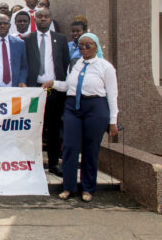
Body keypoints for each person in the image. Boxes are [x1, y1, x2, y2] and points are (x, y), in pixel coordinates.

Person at [42, 33, 119, 202]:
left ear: (96, 46)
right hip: (73, 108)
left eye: (88, 45)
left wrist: (113, 121)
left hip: (95, 107)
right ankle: (68, 186)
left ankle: (87, 188)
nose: (84, 49)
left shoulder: (105, 67)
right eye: (81, 46)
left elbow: (112, 95)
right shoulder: (75, 65)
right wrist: (53, 83)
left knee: (90, 149)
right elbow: (68, 86)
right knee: (70, 146)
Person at [24, 8, 70, 176]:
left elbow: (65, 64)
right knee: (32, 128)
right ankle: (31, 163)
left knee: (54, 128)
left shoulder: (61, 39)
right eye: (39, 16)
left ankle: (53, 163)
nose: (43, 19)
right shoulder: (26, 39)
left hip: (54, 91)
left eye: (46, 16)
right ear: (35, 19)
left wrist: (62, 85)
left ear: (51, 19)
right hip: (34, 91)